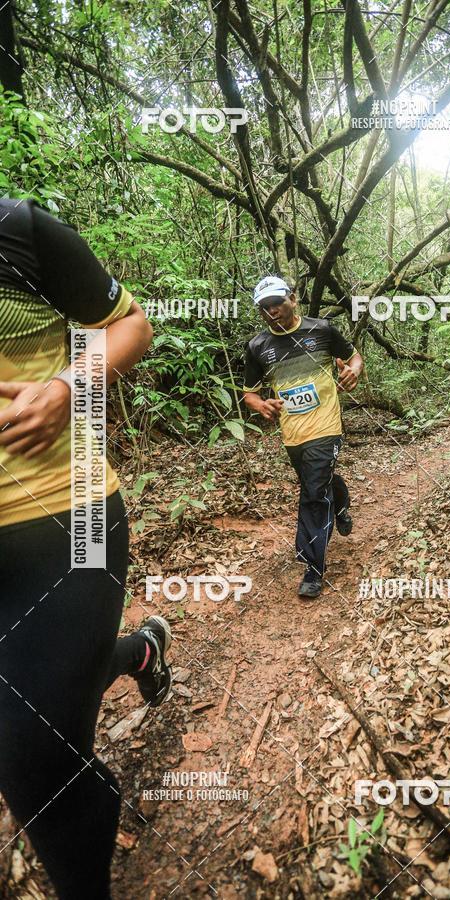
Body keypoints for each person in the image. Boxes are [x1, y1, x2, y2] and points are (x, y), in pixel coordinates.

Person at [0, 197, 172, 899]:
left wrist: (69, 386)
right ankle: (139, 652)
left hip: (68, 520)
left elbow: (130, 326)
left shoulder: (18, 230)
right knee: (35, 695)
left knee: (32, 756)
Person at [242, 275, 364, 598]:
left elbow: (355, 356)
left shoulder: (321, 330)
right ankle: (341, 502)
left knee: (312, 491)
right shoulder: (257, 347)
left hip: (327, 426)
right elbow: (249, 394)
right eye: (264, 309)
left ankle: (313, 568)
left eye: (277, 305)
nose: (272, 313)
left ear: (292, 299)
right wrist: (261, 404)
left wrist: (353, 370)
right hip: (293, 435)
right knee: (318, 482)